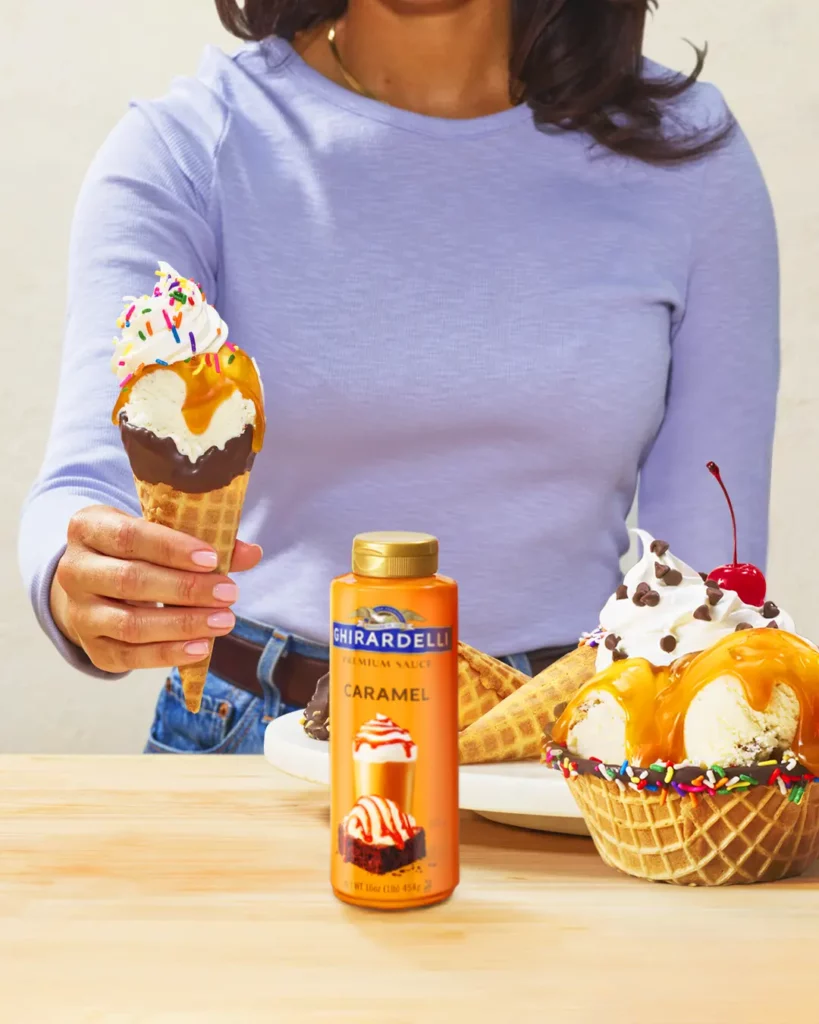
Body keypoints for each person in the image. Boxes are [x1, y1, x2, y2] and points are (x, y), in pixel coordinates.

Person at [18, 0, 779, 754]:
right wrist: (82, 581)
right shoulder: (187, 149)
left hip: (575, 739)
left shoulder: (689, 159)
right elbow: (89, 483)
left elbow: (703, 581)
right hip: (261, 737)